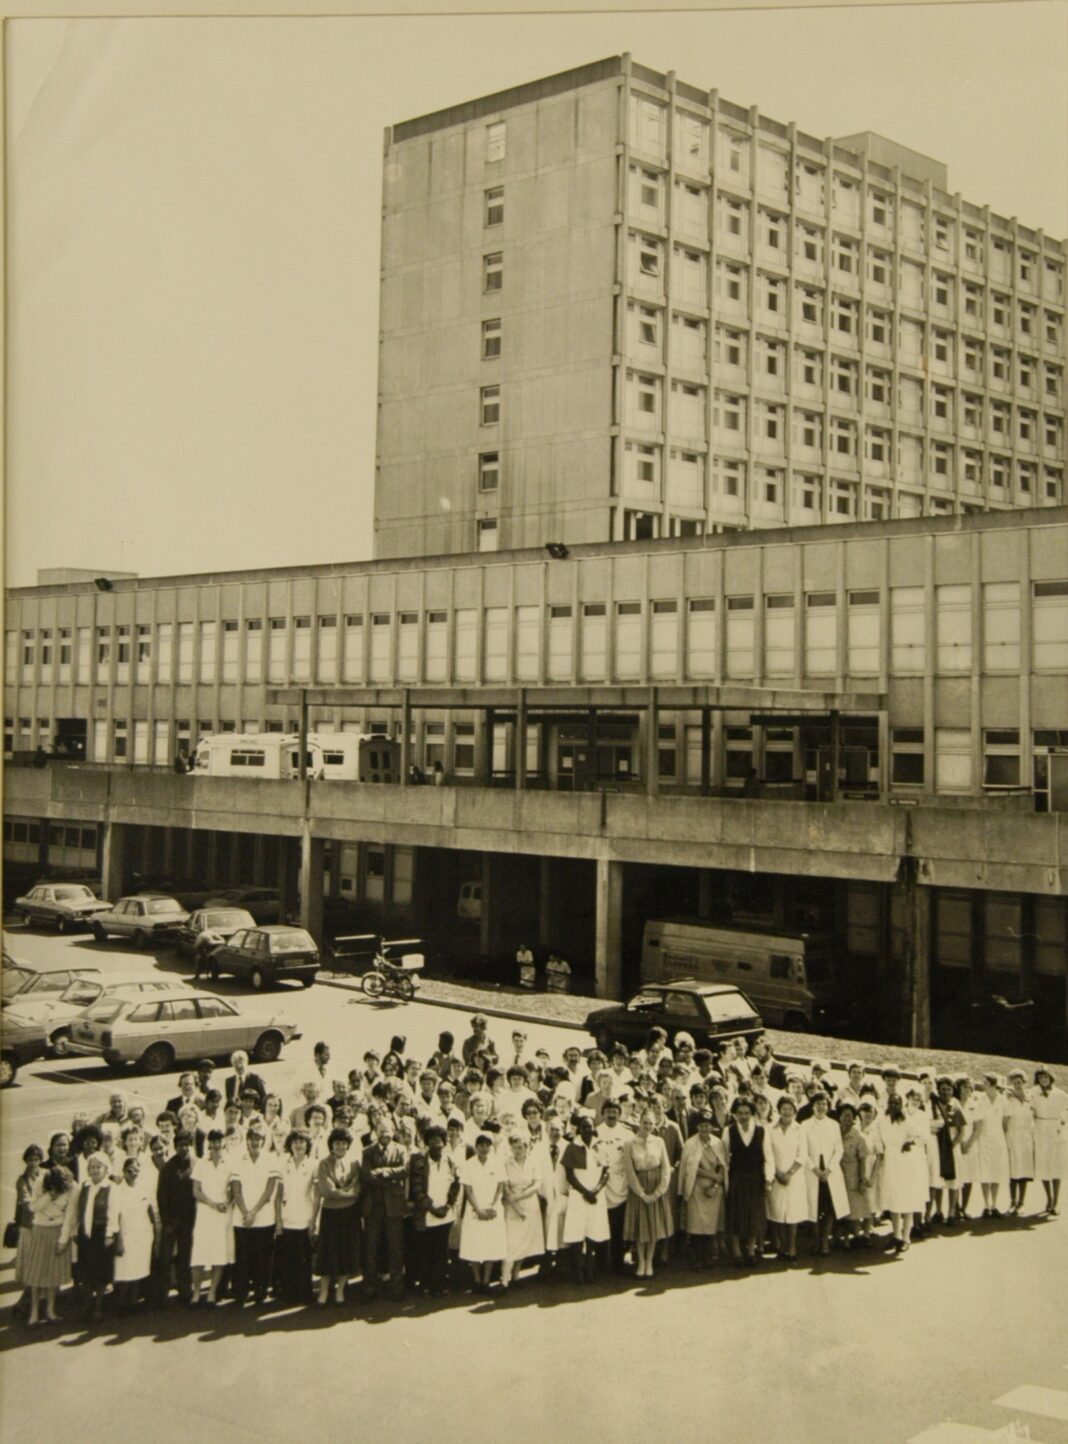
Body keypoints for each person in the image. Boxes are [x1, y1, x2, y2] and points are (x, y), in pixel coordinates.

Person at [360, 1117, 410, 1301]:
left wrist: (383, 1172)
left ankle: (397, 1287)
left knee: (395, 1248)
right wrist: (389, 1175)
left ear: (393, 1132)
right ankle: (369, 1287)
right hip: (373, 1207)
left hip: (394, 1207)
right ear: (375, 1132)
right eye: (381, 1131)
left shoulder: (401, 1149)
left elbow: (405, 1170)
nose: (384, 1134)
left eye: (387, 1131)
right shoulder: (367, 1151)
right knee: (371, 1248)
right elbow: (366, 1175)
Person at [621, 1109, 673, 1279]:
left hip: (656, 1188)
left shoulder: (659, 1142)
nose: (648, 1126)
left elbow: (666, 1168)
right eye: (645, 1123)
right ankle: (640, 1261)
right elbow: (629, 1171)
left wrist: (658, 1192)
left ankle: (649, 1260)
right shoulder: (630, 1143)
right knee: (640, 1228)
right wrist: (642, 1194)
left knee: (653, 1227)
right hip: (639, 1189)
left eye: (651, 1123)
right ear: (639, 1123)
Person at [408, 1126, 459, 1296]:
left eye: (439, 1142)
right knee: (426, 1251)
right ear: (427, 1144)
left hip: (444, 1214)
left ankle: (440, 1284)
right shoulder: (420, 1162)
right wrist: (431, 1208)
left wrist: (447, 1206)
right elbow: (417, 1189)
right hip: (427, 1214)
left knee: (442, 1252)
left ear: (444, 1143)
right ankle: (426, 1285)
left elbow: (455, 1185)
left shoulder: (450, 1161)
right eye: (432, 1142)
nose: (436, 1145)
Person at [64, 1151, 115, 1321]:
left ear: (106, 1168)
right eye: (92, 1167)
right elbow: (80, 1210)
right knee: (86, 1271)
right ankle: (87, 1305)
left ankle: (98, 1308)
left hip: (101, 1234)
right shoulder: (85, 1186)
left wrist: (109, 1235)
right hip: (86, 1234)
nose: (94, 1170)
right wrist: (77, 1230)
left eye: (98, 1167)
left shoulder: (110, 1188)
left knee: (100, 1272)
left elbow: (114, 1213)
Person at [723, 1097, 773, 1268]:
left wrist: (768, 1180)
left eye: (746, 1113)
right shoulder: (728, 1131)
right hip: (736, 1178)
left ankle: (751, 1251)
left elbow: (768, 1158)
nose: (743, 1116)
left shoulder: (761, 1131)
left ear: (752, 1114)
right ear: (735, 1114)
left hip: (755, 1178)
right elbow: (724, 1159)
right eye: (740, 1113)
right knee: (735, 1216)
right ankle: (737, 1253)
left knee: (753, 1216)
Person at [23, 1165, 76, 1327]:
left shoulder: (72, 1187)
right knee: (37, 1274)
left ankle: (50, 1311)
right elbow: (33, 1207)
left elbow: (70, 1216)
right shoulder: (41, 1182)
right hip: (40, 1229)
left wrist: (63, 1240)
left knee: (54, 1274)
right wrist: (49, 1196)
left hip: (58, 1231)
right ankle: (34, 1313)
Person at [314, 1127, 360, 1306]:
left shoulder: (355, 1163)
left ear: (348, 1145)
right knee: (328, 1252)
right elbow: (327, 1191)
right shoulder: (324, 1164)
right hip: (331, 1214)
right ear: (331, 1146)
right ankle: (324, 1290)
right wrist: (347, 1194)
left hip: (349, 1214)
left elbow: (358, 1187)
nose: (340, 1146)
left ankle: (340, 1289)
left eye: (343, 1143)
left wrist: (345, 1192)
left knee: (346, 1250)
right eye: (337, 1143)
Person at [801, 1091, 850, 1255]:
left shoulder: (834, 1125)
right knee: (813, 1207)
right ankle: (815, 1240)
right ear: (812, 1106)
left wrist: (829, 1169)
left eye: (824, 1104)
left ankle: (824, 1241)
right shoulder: (805, 1125)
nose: (821, 1107)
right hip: (812, 1171)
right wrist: (815, 1169)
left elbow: (839, 1149)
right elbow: (803, 1151)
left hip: (830, 1172)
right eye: (818, 1104)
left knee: (829, 1208)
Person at [109, 1155, 159, 1312]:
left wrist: (156, 1235)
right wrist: (118, 1239)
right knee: (123, 1272)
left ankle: (133, 1303)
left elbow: (151, 1212)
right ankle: (122, 1304)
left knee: (139, 1269)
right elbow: (114, 1217)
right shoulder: (117, 1191)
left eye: (136, 1170)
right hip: (125, 1235)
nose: (133, 1174)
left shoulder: (145, 1187)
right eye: (129, 1171)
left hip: (143, 1236)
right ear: (123, 1172)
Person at [274, 1129, 319, 1302]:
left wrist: (314, 1220)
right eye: (295, 1142)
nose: (298, 1145)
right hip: (287, 1217)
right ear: (290, 1145)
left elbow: (316, 1197)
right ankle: (288, 1293)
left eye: (302, 1142)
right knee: (288, 1258)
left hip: (306, 1216)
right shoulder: (283, 1164)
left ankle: (305, 1293)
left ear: (307, 1145)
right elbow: (278, 1195)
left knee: (305, 1258)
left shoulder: (314, 1164)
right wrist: (278, 1219)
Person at [678, 1110, 727, 1268]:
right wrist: (713, 1176)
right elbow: (690, 1168)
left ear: (711, 1126)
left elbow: (723, 1166)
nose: (705, 1129)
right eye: (701, 1125)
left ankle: (708, 1257)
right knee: (696, 1225)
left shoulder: (718, 1143)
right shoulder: (690, 1143)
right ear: (697, 1126)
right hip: (696, 1187)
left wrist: (715, 1185)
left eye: (707, 1125)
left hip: (714, 1190)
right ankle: (697, 1258)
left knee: (711, 1225)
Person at [459, 1132, 507, 1294]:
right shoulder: (468, 1165)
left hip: (493, 1210)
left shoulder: (498, 1163)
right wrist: (478, 1209)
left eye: (487, 1145)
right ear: (476, 1146)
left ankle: (486, 1281)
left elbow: (501, 1187)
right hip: (475, 1211)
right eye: (481, 1145)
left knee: (490, 1246)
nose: (484, 1148)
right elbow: (468, 1190)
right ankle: (477, 1281)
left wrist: (493, 1206)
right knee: (474, 1246)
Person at [190, 1130, 234, 1306]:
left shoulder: (230, 1163)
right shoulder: (201, 1164)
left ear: (224, 1143)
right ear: (209, 1144)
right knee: (198, 1255)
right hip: (205, 1212)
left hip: (223, 1214)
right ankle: (196, 1292)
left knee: (218, 1254)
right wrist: (211, 1203)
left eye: (219, 1142)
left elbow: (233, 1188)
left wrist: (226, 1202)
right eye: (213, 1142)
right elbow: (196, 1190)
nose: (216, 1146)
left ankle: (212, 1293)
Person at [879, 1094, 926, 1254]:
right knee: (893, 1201)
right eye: (891, 1102)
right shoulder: (883, 1119)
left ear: (901, 1105)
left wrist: (910, 1142)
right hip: (890, 1163)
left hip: (905, 1164)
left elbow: (923, 1137)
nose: (893, 1105)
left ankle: (906, 1237)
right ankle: (896, 1236)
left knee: (906, 1201)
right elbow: (878, 1138)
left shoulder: (906, 1120)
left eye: (897, 1103)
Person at [155, 1129, 197, 1304]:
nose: (184, 1148)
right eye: (180, 1145)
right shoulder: (167, 1167)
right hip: (171, 1220)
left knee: (185, 1256)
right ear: (175, 1147)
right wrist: (167, 1221)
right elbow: (161, 1196)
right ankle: (161, 1293)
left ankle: (185, 1290)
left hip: (188, 1220)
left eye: (186, 1145)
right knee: (165, 1257)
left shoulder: (195, 1164)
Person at [501, 1132, 545, 1288]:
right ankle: (504, 1280)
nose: (518, 1150)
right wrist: (517, 1206)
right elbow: (505, 1189)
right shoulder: (506, 1163)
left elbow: (537, 1184)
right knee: (511, 1243)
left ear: (526, 1147)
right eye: (515, 1147)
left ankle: (516, 1275)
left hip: (530, 1205)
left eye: (521, 1147)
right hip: (512, 1207)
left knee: (525, 1242)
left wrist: (519, 1196)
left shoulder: (533, 1161)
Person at [766, 1095, 807, 1261]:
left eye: (790, 1109)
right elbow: (768, 1153)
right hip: (776, 1176)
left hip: (794, 1177)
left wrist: (789, 1173)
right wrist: (777, 1173)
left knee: (792, 1214)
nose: (787, 1112)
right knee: (777, 1213)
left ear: (795, 1111)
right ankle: (781, 1246)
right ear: (779, 1110)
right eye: (784, 1108)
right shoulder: (770, 1129)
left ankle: (792, 1247)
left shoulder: (800, 1129)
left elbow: (802, 1155)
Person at [1030, 1067, 1068, 1216]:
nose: (1043, 1080)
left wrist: (1063, 1122)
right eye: (1040, 1078)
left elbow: (1066, 1110)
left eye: (1046, 1077)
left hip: (1055, 1131)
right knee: (1043, 1166)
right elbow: (1030, 1109)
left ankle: (1056, 1202)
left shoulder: (1060, 1094)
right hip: (1041, 1131)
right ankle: (1049, 1198)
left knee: (1056, 1167)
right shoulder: (1033, 1092)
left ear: (1050, 1077)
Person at [976, 1072, 1011, 1217]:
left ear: (991, 1084)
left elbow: (1005, 1122)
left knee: (996, 1172)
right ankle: (986, 1206)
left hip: (998, 1140)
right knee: (985, 1172)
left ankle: (994, 1205)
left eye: (985, 1083)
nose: (983, 1085)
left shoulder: (1003, 1100)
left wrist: (999, 1135)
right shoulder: (980, 1099)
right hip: (983, 1140)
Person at [1003, 1069, 1035, 1215]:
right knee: (1013, 1171)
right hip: (1013, 1138)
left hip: (1027, 1139)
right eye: (1014, 1083)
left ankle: (1022, 1202)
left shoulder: (1030, 1099)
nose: (1017, 1085)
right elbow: (1004, 1122)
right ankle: (1012, 1202)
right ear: (1011, 1084)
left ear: (1024, 1083)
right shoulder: (1009, 1100)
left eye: (1019, 1082)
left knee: (1024, 1171)